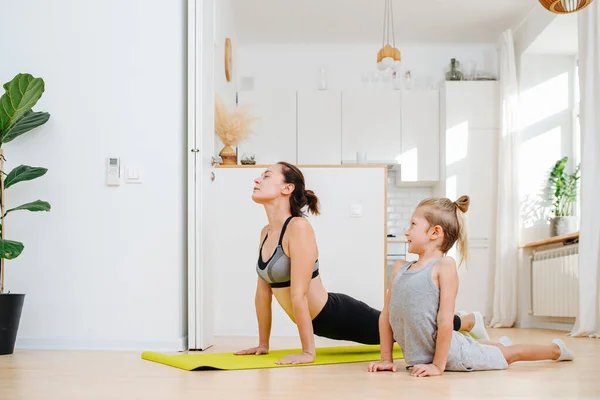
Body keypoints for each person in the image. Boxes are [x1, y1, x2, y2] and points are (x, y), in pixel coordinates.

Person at [234, 162, 489, 365]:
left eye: (266, 175)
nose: (257, 179)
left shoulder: (298, 228)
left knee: (402, 328)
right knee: (404, 325)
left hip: (335, 314)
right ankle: (464, 321)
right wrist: (263, 344)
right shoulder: (266, 232)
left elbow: (298, 295)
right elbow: (262, 294)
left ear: (287, 188)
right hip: (322, 320)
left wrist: (307, 352)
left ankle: (467, 321)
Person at [367, 195, 574, 377]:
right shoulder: (399, 269)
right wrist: (386, 359)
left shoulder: (443, 266)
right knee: (474, 344)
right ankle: (496, 343)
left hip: (454, 355)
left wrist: (438, 366)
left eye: (413, 224)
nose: (406, 231)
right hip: (442, 348)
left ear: (434, 232)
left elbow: (446, 319)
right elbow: (386, 316)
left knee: (510, 355)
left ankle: (555, 350)